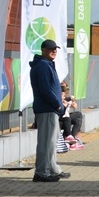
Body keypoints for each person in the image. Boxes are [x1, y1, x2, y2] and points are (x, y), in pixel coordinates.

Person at [29, 39, 70, 182]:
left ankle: (52, 168)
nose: (54, 51)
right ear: (43, 50)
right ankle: (41, 172)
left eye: (55, 49)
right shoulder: (43, 66)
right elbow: (45, 89)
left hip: (50, 109)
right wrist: (57, 104)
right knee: (46, 142)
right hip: (47, 109)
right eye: (51, 49)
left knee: (51, 142)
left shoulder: (46, 64)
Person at [59, 81, 84, 149]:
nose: (64, 91)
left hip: (66, 116)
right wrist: (68, 99)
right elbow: (60, 100)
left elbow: (75, 106)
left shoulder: (66, 97)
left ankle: (73, 138)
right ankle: (72, 139)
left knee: (78, 118)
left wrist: (72, 103)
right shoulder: (59, 95)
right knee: (68, 118)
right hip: (61, 117)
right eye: (63, 89)